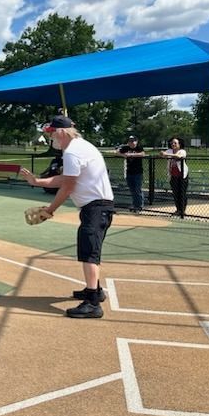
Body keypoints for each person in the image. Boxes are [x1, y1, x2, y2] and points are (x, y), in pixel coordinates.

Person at [20, 115, 114, 319]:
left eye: (52, 132)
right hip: (98, 207)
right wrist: (37, 181)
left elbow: (68, 187)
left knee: (89, 253)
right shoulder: (80, 146)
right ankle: (94, 290)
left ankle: (92, 303)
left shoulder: (72, 152)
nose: (51, 137)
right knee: (89, 249)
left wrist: (50, 209)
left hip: (96, 208)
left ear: (62, 132)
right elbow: (66, 178)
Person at [161, 136, 188, 218]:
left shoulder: (182, 151)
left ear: (179, 144)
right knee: (175, 193)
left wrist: (167, 154)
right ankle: (178, 209)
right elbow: (163, 155)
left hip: (182, 175)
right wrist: (163, 154)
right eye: (172, 143)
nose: (173, 144)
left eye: (175, 143)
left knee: (182, 193)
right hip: (173, 175)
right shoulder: (169, 151)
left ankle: (182, 210)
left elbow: (178, 156)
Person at [116, 135, 145, 212]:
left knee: (137, 189)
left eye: (133, 141)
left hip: (138, 172)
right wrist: (123, 155)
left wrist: (131, 155)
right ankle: (135, 205)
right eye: (130, 141)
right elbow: (117, 152)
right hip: (129, 172)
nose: (131, 143)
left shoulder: (139, 147)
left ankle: (139, 206)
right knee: (132, 190)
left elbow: (142, 154)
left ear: (136, 142)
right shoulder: (126, 148)